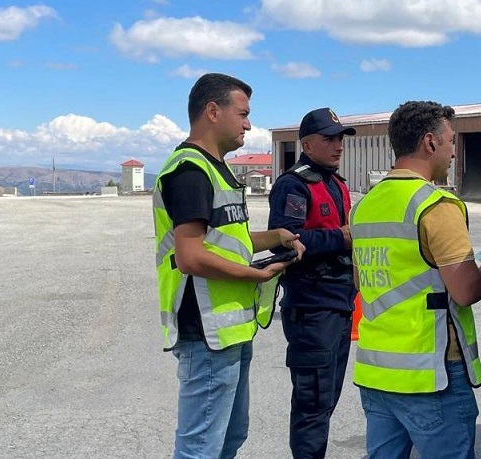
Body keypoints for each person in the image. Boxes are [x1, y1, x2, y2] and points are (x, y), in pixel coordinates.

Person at [152, 73, 305, 459]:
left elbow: (226, 241)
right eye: (243, 114)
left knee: (230, 437)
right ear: (212, 111)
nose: (249, 125)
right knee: (201, 447)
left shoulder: (216, 168)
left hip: (230, 330)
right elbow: (190, 256)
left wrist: (275, 237)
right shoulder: (190, 171)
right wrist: (258, 274)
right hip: (206, 331)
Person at [349, 100, 481, 458]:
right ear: (430, 142)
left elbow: (364, 283)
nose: (454, 152)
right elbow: (465, 290)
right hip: (431, 377)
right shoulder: (436, 205)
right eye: (451, 141)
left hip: (376, 374)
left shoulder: (363, 207)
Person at [267, 107, 358, 459]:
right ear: (306, 144)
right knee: (313, 404)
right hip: (312, 309)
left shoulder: (336, 184)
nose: (338, 146)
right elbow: (283, 242)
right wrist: (340, 238)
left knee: (327, 399)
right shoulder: (293, 185)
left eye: (340, 139)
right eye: (329, 139)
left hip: (338, 306)